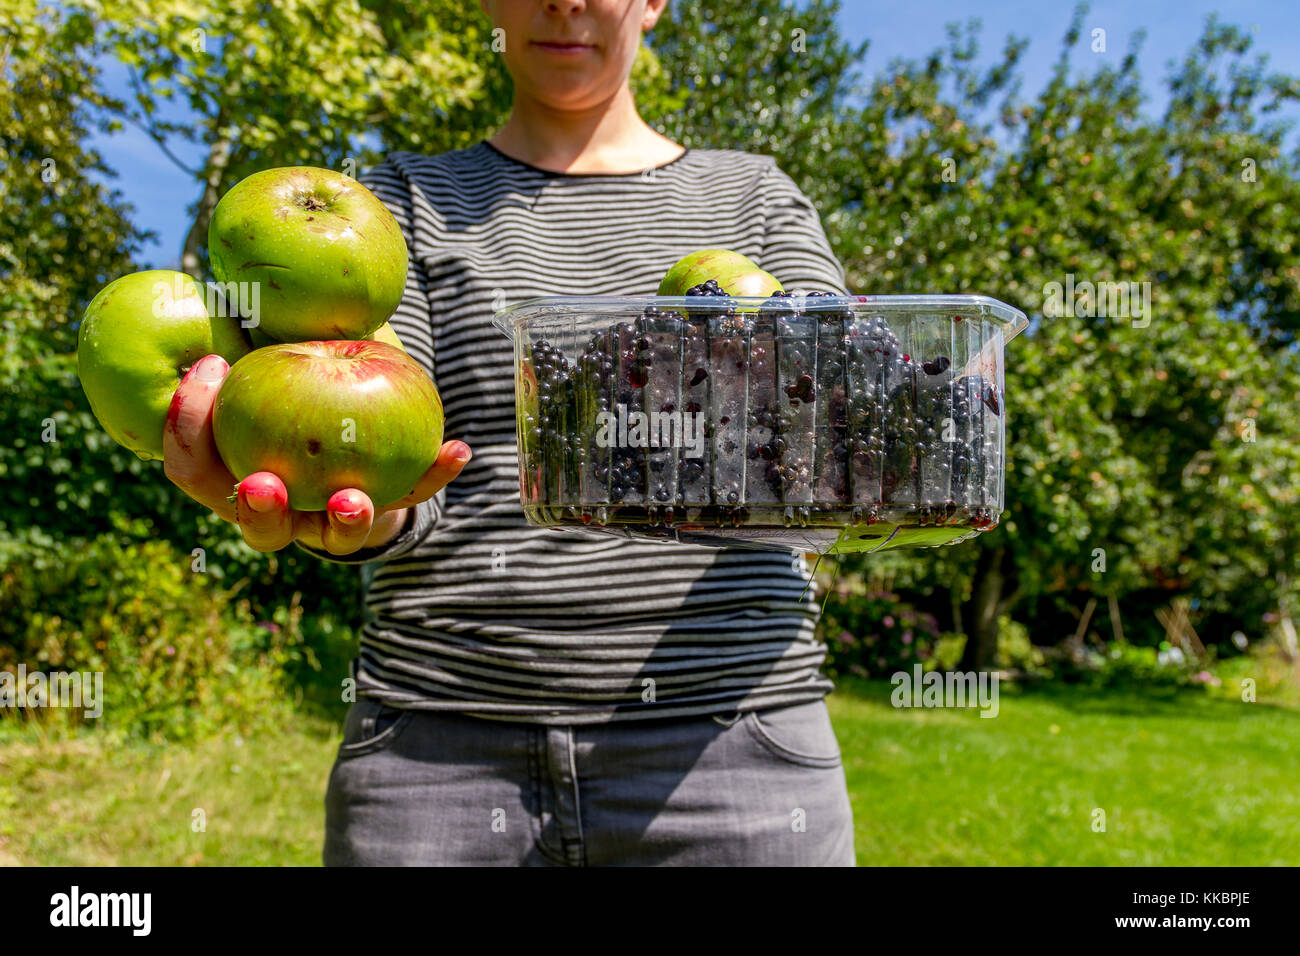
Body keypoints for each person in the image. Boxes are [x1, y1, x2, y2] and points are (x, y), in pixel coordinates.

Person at [165, 0, 856, 866]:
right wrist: (340, 505)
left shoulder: (753, 196)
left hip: (730, 753)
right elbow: (394, 455)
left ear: (653, 4)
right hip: (438, 758)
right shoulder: (401, 204)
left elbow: (838, 425)